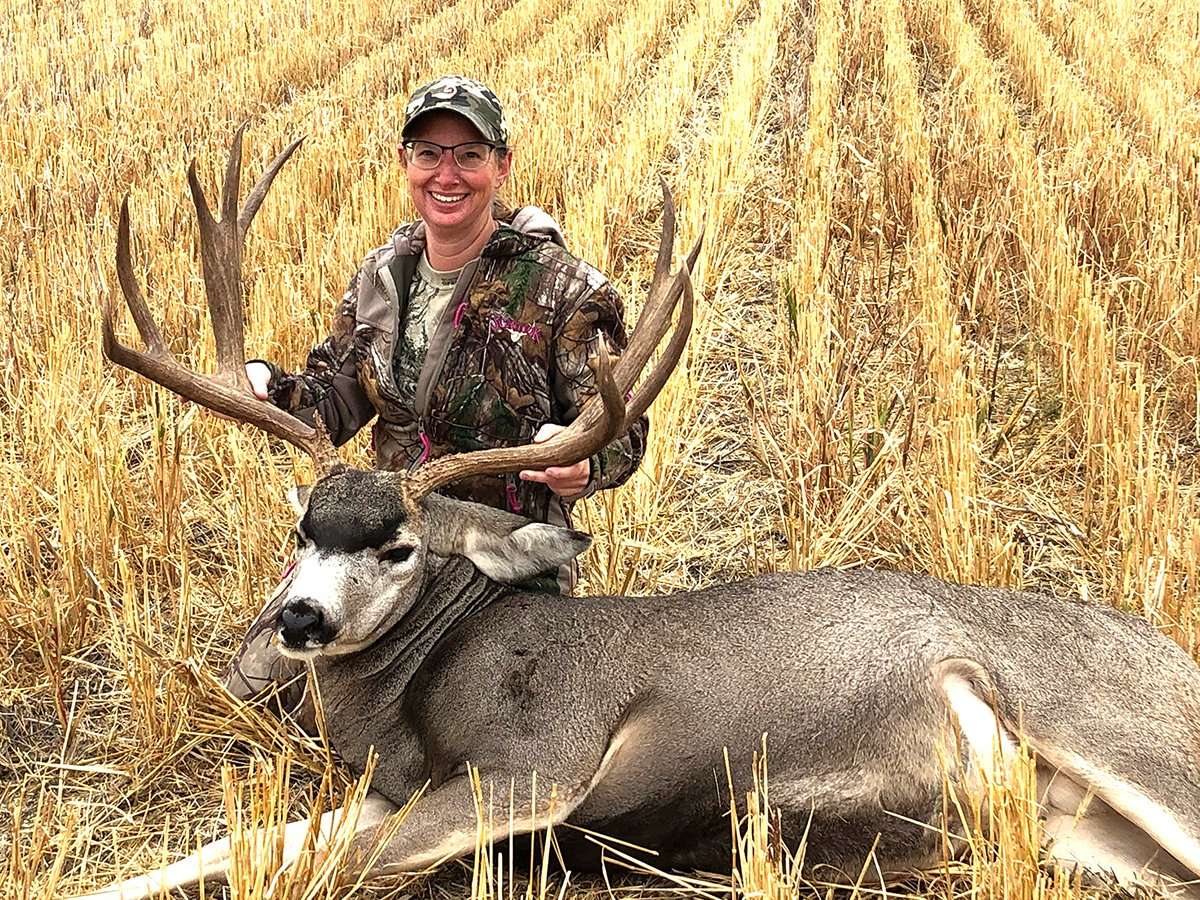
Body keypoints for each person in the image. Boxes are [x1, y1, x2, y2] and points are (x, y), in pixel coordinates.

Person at [223, 75, 647, 714]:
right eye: (429, 153)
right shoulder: (381, 278)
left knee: (458, 725)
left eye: (468, 155)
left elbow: (624, 432)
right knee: (256, 689)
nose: (446, 174)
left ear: (501, 166)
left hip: (497, 555)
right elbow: (336, 398)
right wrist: (270, 388)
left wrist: (584, 459)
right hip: (383, 542)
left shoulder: (566, 290)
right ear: (405, 162)